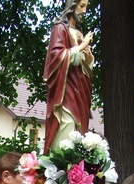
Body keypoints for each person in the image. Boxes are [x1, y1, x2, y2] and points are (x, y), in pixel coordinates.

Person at [43, 0, 94, 154]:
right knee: (67, 124)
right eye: (81, 5)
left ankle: (76, 171)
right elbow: (56, 56)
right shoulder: (60, 29)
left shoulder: (78, 32)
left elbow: (84, 64)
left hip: (80, 88)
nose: (84, 10)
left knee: (79, 132)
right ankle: (61, 169)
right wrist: (81, 46)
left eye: (86, 7)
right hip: (66, 90)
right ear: (72, 5)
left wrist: (89, 57)